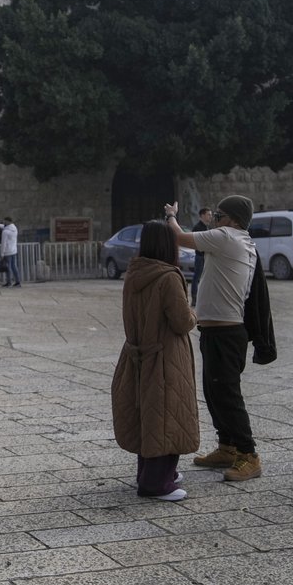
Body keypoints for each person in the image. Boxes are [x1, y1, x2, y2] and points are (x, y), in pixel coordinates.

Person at [163, 195, 263, 482]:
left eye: (218, 216)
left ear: (231, 219)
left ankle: (249, 455)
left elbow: (179, 237)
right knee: (214, 392)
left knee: (227, 395)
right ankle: (227, 447)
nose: (214, 220)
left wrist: (171, 215)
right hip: (219, 330)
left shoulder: (227, 236)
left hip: (226, 331)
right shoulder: (237, 238)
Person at [111, 221, 199, 501]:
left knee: (147, 415)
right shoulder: (169, 277)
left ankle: (151, 473)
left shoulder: (134, 273)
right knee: (167, 414)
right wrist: (194, 313)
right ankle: (156, 484)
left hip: (137, 353)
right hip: (165, 355)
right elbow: (182, 322)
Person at [189, 207, 213, 304]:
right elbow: (195, 243)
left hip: (207, 256)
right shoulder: (198, 228)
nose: (210, 217)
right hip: (200, 257)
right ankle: (194, 299)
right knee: (197, 277)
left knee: (206, 278)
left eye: (211, 215)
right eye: (208, 214)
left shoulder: (207, 228)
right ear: (202, 215)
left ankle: (203, 298)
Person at [0, 216, 21, 287]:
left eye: (4, 221)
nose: (4, 223)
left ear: (7, 221)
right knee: (14, 266)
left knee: (7, 267)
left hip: (7, 251)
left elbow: (3, 243)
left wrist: (2, 253)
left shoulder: (5, 232)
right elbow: (4, 227)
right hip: (14, 250)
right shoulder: (14, 228)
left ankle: (9, 282)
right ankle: (18, 281)